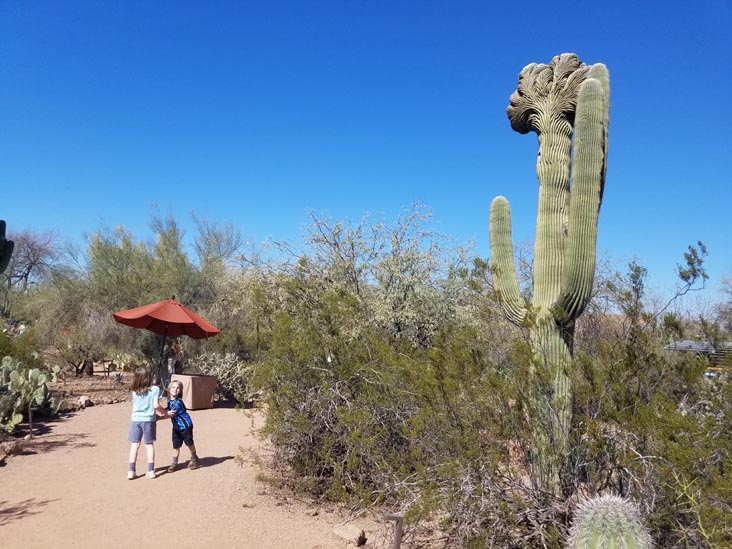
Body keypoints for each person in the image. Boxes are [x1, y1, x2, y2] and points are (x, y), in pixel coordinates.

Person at [127, 367, 167, 479]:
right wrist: (165, 413)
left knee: (134, 445)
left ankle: (131, 471)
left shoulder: (134, 391)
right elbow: (156, 406)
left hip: (135, 420)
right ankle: (150, 471)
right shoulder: (155, 389)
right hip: (149, 420)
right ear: (149, 378)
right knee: (149, 445)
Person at [165, 379, 199, 472]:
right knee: (176, 446)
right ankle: (174, 463)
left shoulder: (178, 403)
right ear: (169, 389)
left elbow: (170, 414)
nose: (175, 389)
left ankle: (194, 456)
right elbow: (166, 410)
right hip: (176, 428)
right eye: (173, 387)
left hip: (185, 426)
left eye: (178, 388)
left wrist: (157, 417)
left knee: (189, 443)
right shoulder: (169, 401)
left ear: (180, 391)